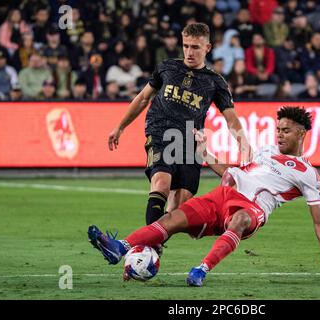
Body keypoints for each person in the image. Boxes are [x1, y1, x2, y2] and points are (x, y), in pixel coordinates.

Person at [88, 106, 320, 287]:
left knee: (239, 221)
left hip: (252, 209)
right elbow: (233, 172)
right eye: (278, 129)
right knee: (173, 219)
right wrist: (204, 153)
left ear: (302, 134)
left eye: (287, 130)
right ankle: (119, 247)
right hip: (223, 194)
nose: (280, 134)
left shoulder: (307, 173)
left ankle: (200, 270)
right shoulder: (266, 151)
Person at [107, 23, 252, 240]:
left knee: (178, 205)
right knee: (161, 183)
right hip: (160, 133)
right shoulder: (167, 67)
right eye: (185, 46)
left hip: (190, 141)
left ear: (208, 48)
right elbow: (143, 98)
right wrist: (120, 126)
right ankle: (146, 247)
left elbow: (230, 118)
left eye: (195, 47)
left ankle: (151, 243)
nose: (189, 52)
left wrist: (244, 144)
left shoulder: (215, 82)